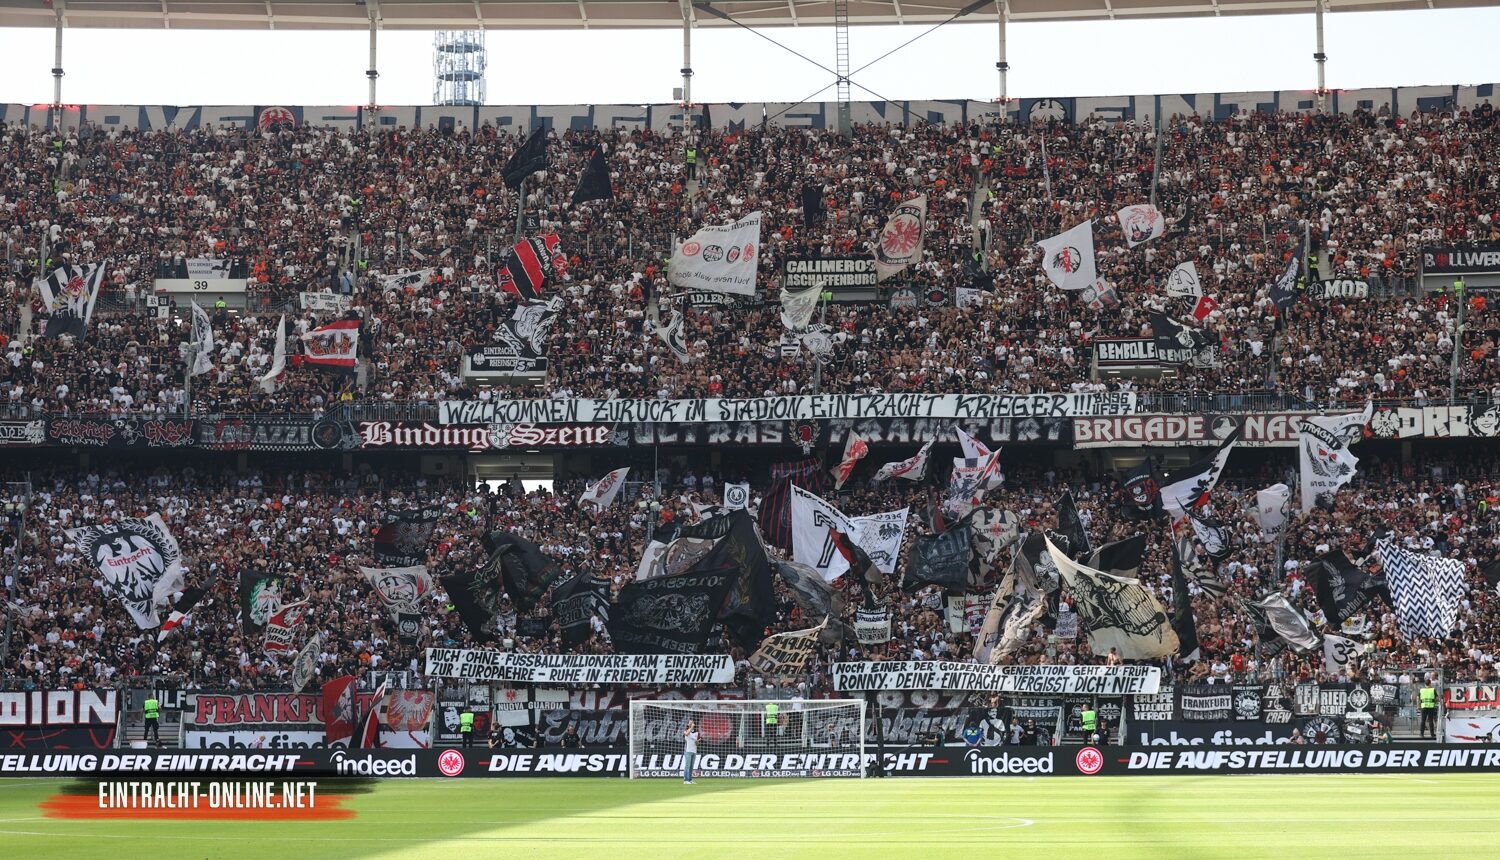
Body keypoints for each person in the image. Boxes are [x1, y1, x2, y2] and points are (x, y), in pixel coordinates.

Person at [683, 720, 699, 785]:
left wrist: (697, 742)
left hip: (694, 751)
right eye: (689, 722)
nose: (691, 723)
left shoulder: (696, 732)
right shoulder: (685, 730)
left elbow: (697, 743)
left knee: (691, 766)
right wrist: (691, 727)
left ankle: (690, 779)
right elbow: (686, 734)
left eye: (692, 722)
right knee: (687, 765)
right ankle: (686, 780)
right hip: (688, 751)